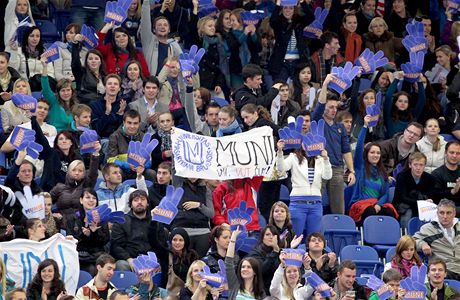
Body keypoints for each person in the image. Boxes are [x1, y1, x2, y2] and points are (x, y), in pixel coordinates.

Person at [312, 74, 356, 214]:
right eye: (330, 107)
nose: (334, 110)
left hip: (337, 168)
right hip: (319, 166)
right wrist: (325, 85)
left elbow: (346, 150)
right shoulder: (317, 122)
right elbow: (319, 106)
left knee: (339, 207)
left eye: (335, 107)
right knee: (316, 204)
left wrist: (351, 171)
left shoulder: (340, 127)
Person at [276, 138, 332, 237]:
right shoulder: (293, 157)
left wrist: (326, 159)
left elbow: (327, 176)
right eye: (305, 142)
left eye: (310, 141)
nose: (308, 145)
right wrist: (280, 152)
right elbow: (281, 168)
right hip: (298, 202)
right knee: (295, 236)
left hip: (316, 203)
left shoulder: (320, 159)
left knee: (314, 237)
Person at [111, 190, 168, 271]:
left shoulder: (156, 221)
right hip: (131, 259)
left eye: (142, 199)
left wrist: (154, 260)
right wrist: (128, 259)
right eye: (136, 200)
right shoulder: (121, 221)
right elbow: (116, 246)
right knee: (121, 265)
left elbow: (161, 244)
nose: (139, 202)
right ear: (130, 205)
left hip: (152, 259)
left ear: (148, 203)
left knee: (165, 263)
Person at [65, 189, 110, 276]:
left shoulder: (102, 218)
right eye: (88, 197)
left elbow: (105, 240)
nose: (91, 200)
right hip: (80, 257)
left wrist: (94, 233)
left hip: (97, 255)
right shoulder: (72, 218)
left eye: (94, 198)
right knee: (91, 269)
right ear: (81, 200)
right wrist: (84, 235)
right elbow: (70, 241)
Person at [50, 142, 100, 218]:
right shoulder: (59, 187)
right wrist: (52, 215)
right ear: (69, 172)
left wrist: (95, 154)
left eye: (80, 171)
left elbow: (93, 173)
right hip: (63, 223)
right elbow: (46, 202)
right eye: (74, 170)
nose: (77, 173)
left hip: (82, 223)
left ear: (84, 173)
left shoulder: (87, 185)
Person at [414, 199, 460, 280]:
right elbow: (411, 242)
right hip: (444, 270)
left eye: (448, 213)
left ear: (454, 214)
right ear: (437, 213)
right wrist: (422, 244)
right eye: (442, 213)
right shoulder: (428, 228)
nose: (445, 216)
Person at [268, 0, 314, 82]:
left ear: (294, 9)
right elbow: (273, 21)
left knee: (297, 89)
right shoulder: (278, 22)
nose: (288, 10)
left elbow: (311, 17)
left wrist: (303, 2)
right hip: (282, 62)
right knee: (279, 88)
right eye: (285, 8)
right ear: (282, 9)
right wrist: (278, 5)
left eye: (291, 8)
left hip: (298, 62)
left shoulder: (299, 21)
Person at [169, 177, 215, 257]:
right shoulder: (178, 185)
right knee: (184, 259)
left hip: (202, 230)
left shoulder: (206, 190)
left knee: (201, 260)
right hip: (182, 227)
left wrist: (199, 205)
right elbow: (174, 168)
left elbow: (211, 214)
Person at [107, 110, 156, 181]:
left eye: (135, 123)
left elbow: (149, 161)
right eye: (129, 123)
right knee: (116, 173)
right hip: (122, 170)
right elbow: (110, 160)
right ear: (124, 123)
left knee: (151, 173)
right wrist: (127, 165)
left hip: (140, 169)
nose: (132, 126)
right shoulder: (115, 136)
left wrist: (142, 166)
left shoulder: (144, 137)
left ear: (139, 124)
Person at [394, 152, 437, 228]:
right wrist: (421, 203)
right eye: (415, 164)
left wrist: (426, 202)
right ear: (410, 165)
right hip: (403, 205)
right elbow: (402, 198)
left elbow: (430, 196)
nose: (418, 168)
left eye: (421, 165)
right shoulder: (402, 176)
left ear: (424, 166)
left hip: (423, 206)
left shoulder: (430, 179)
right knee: (408, 212)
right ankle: (406, 236)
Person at [140, 0, 182, 76]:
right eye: (159, 25)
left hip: (169, 84)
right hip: (152, 83)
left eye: (165, 25)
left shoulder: (174, 45)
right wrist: (146, 2)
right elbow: (145, 21)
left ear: (169, 30)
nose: (162, 27)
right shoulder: (149, 41)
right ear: (153, 29)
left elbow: (181, 66)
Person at [9, 26, 55, 91]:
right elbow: (14, 70)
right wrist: (13, 52)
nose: (35, 39)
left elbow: (51, 73)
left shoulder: (45, 52)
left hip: (42, 86)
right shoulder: (19, 51)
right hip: (24, 86)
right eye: (32, 36)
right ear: (26, 37)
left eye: (37, 36)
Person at [225, 228, 266, 300]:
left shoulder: (261, 293)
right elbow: (228, 262)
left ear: (255, 272)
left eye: (249, 267)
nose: (245, 269)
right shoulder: (234, 284)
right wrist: (233, 237)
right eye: (243, 267)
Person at [384, 72, 426, 138]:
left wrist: (419, 81)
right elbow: (388, 96)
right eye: (400, 101)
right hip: (391, 145)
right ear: (395, 102)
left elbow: (422, 100)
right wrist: (397, 79)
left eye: (406, 102)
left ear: (408, 104)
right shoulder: (389, 114)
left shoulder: (413, 115)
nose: (403, 103)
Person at [40, 57, 76, 132]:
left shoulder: (76, 105)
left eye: (68, 90)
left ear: (72, 91)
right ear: (58, 93)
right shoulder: (54, 101)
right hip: (53, 134)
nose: (66, 93)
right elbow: (45, 87)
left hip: (69, 137)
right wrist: (45, 67)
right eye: (63, 91)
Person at [247, 225, 283, 294]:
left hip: (279, 290)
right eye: (267, 234)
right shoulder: (255, 253)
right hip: (262, 290)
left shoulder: (281, 252)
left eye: (273, 234)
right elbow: (261, 270)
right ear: (262, 237)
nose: (271, 237)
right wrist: (274, 252)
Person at [90, 74, 126, 140]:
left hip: (119, 141)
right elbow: (96, 129)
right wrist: (107, 113)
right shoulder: (95, 105)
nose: (112, 86)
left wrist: (120, 114)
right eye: (109, 84)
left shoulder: (122, 104)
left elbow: (125, 130)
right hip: (101, 140)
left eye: (115, 84)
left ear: (119, 89)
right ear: (105, 87)